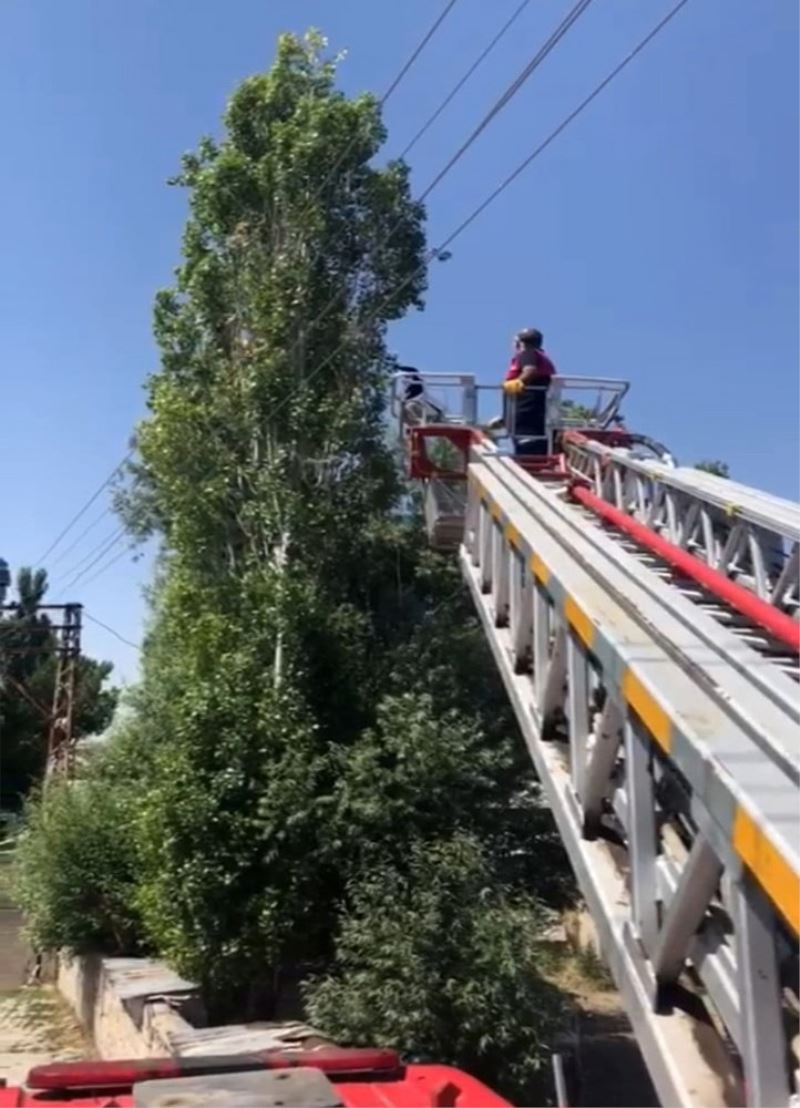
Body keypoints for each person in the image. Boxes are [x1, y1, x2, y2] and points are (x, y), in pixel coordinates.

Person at [502, 328, 556, 455]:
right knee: (535, 442)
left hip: (526, 407)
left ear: (519, 343)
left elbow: (530, 370)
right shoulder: (542, 356)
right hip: (538, 407)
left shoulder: (527, 353)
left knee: (526, 442)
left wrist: (517, 382)